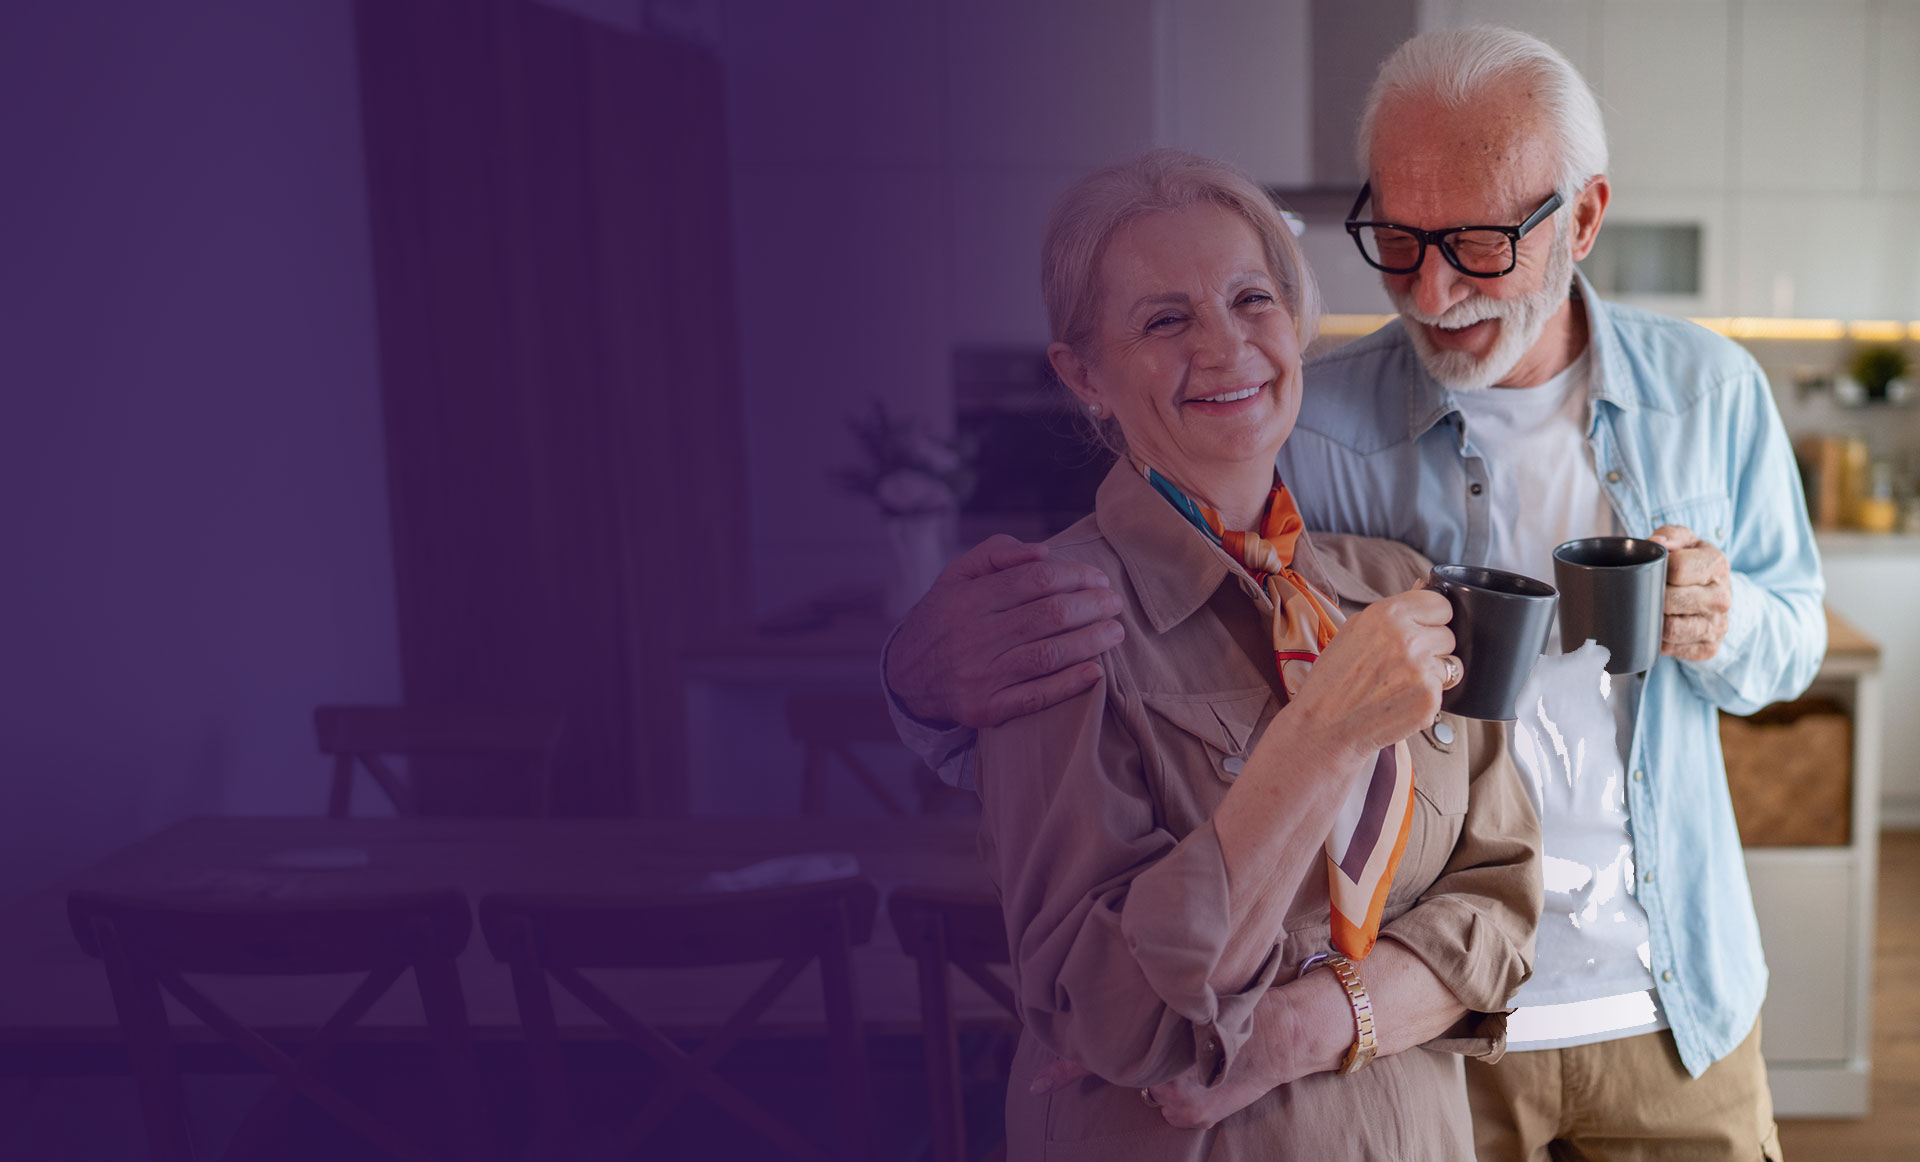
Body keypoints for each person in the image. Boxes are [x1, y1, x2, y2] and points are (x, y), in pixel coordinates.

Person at [884, 26, 1823, 1162]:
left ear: (1579, 220)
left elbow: (1791, 642)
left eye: (1478, 243)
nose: (1430, 289)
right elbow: (1147, 586)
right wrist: (916, 683)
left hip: (1670, 994)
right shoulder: (1298, 415)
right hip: (1435, 1049)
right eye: (1399, 238)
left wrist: (1731, 624)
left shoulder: (1711, 392)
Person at [962, 148, 1540, 1161]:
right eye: (1165, 319)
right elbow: (1116, 1020)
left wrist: (1302, 1027)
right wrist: (1320, 737)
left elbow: (1503, 901)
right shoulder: (1055, 624)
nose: (1227, 347)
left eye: (1251, 298)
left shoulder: (1397, 579)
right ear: (1084, 374)